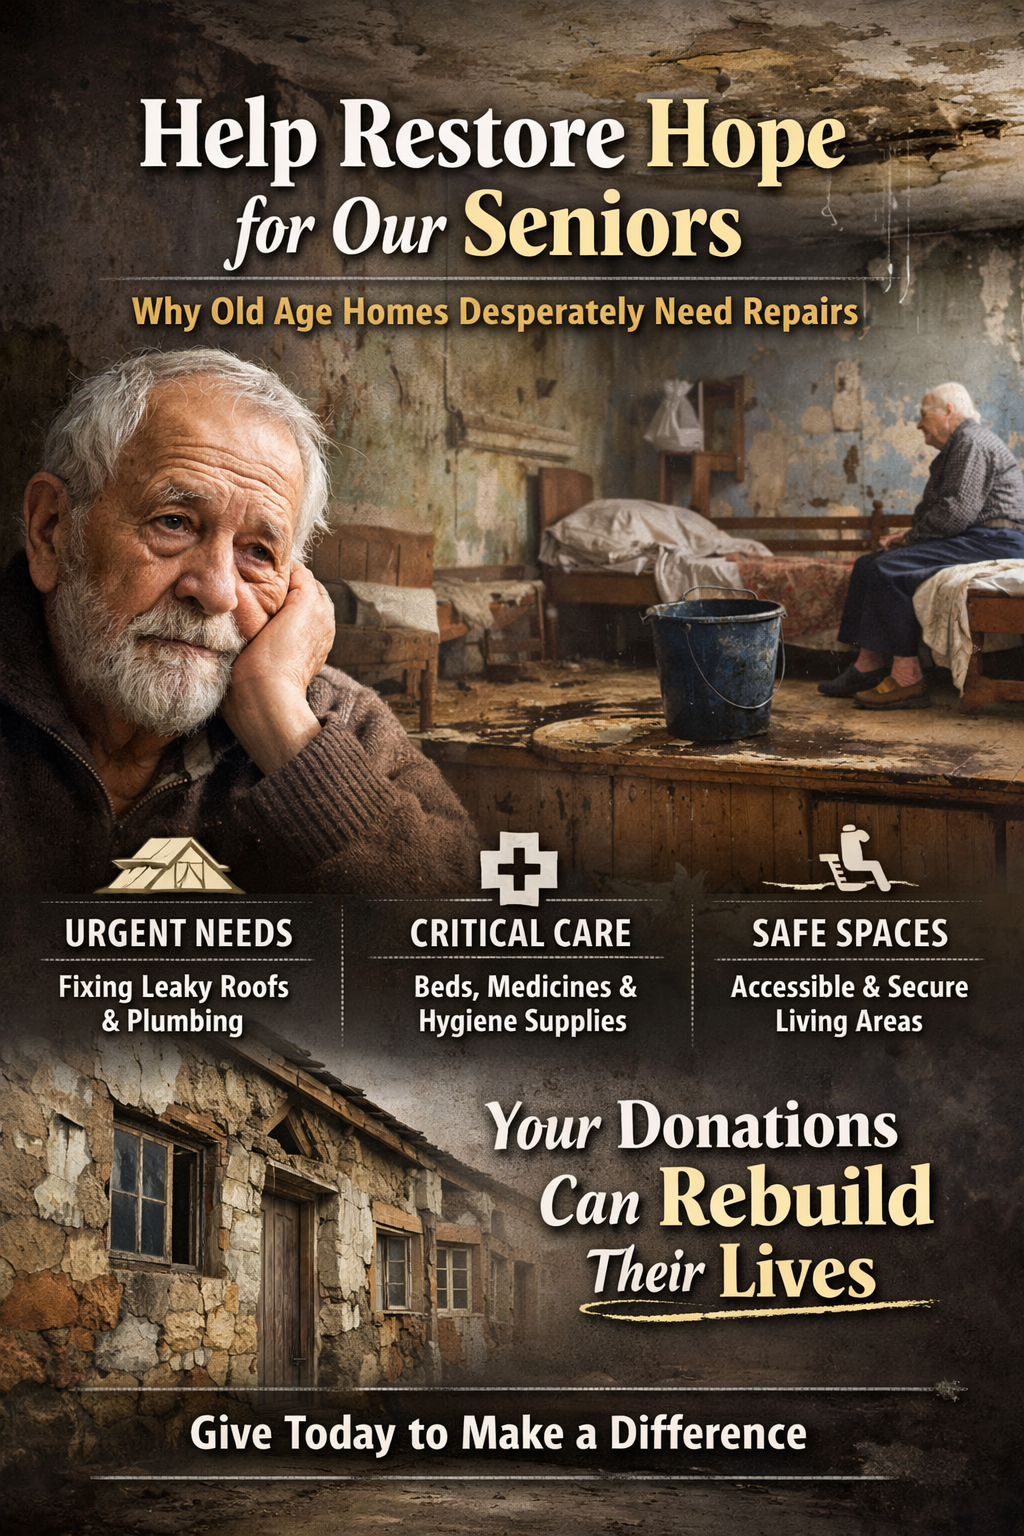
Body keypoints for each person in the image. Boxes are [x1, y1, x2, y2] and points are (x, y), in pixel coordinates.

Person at [1, 348, 480, 894]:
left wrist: (282, 726)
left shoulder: (335, 719)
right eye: (174, 522)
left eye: (257, 552)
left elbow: (457, 933)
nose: (217, 592)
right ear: (52, 530)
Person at [819, 383, 1024, 709]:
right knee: (867, 564)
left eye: (923, 414)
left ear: (948, 411)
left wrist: (907, 539)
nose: (917, 424)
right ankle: (868, 665)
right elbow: (943, 513)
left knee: (887, 567)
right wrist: (907, 536)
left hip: (997, 539)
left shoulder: (971, 442)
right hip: (976, 537)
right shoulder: (957, 448)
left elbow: (955, 514)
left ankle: (907, 678)